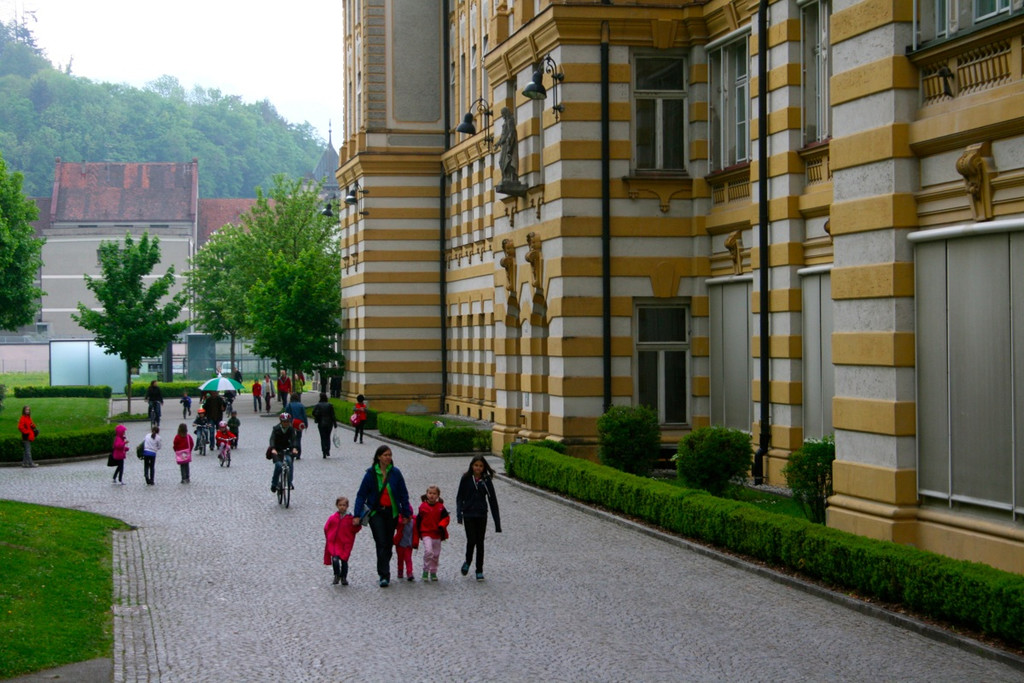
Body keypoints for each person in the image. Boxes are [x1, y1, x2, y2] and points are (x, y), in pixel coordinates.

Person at [353, 445, 412, 587]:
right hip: (376, 513)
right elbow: (361, 495)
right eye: (385, 455)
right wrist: (357, 514)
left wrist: (406, 513)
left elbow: (403, 494)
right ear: (378, 457)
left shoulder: (396, 473)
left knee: (388, 543)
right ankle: (384, 575)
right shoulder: (371, 474)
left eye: (390, 455)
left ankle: (384, 566)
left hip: (391, 512)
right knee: (381, 542)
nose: (388, 457)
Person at [456, 455, 501, 581]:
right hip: (468, 514)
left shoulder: (486, 480)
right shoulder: (466, 479)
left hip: (481, 515)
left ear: (484, 467)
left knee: (480, 542)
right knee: (471, 540)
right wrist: (459, 514)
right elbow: (459, 497)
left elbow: (493, 501)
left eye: (481, 466)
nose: (478, 468)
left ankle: (479, 570)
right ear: (472, 466)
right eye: (476, 465)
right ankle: (467, 561)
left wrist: (497, 523)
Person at [413, 485, 450, 582]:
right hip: (426, 533)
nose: (431, 495)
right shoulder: (422, 507)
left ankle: (433, 571)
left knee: (436, 554)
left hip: (437, 534)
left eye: (434, 493)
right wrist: (417, 535)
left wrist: (442, 525)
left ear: (438, 495)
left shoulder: (441, 507)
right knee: (429, 551)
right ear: (426, 494)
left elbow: (446, 518)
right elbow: (418, 520)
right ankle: (425, 570)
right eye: (430, 493)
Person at [323, 496, 361, 585]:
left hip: (345, 544)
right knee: (335, 559)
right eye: (340, 505)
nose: (342, 507)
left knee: (344, 560)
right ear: (337, 505)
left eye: (344, 505)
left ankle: (343, 577)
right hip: (335, 543)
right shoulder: (333, 518)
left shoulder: (350, 519)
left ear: (347, 506)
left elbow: (355, 529)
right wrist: (329, 538)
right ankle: (336, 575)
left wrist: (357, 524)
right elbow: (326, 527)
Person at [269, 413, 297, 493]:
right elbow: (272, 439)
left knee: (289, 462)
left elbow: (294, 439)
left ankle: (289, 482)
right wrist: (273, 448)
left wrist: (294, 448)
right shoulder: (276, 429)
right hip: (277, 450)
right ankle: (274, 484)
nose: (286, 423)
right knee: (278, 465)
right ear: (281, 421)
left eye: (287, 421)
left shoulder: (291, 429)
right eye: (284, 421)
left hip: (287, 450)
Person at [312, 392, 337, 459]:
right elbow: (333, 415)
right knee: (328, 437)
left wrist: (317, 416)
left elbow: (313, 413)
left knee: (322, 437)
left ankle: (323, 451)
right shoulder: (330, 405)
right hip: (329, 423)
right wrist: (335, 423)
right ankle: (327, 450)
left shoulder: (318, 405)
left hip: (321, 423)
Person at [285, 393, 308, 458]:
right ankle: (298, 453)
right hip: (299, 423)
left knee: (291, 438)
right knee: (298, 438)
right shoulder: (301, 405)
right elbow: (304, 415)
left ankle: (292, 451)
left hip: (291, 423)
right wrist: (306, 423)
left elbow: (286, 415)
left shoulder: (289, 405)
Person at [394, 514, 415, 581]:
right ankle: (400, 570)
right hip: (400, 544)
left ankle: (409, 572)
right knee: (400, 559)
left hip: (409, 544)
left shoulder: (413, 522)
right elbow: (397, 523)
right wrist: (402, 520)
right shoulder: (400, 523)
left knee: (408, 559)